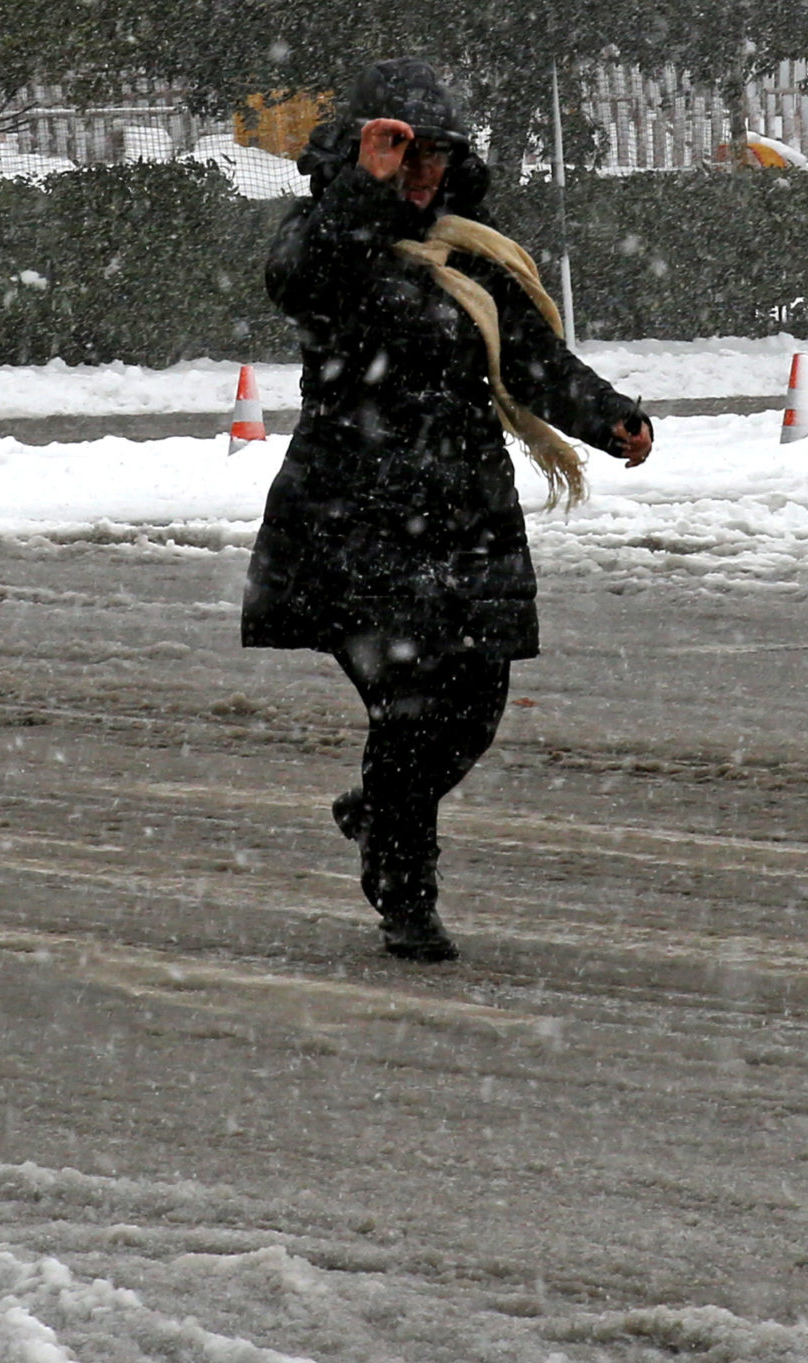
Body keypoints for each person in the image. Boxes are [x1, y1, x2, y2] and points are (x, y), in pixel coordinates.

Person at [242, 59, 653, 962]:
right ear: (362, 151)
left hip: (464, 512)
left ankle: (383, 807)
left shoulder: (471, 251)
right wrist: (365, 187)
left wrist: (608, 417)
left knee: (476, 704)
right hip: (353, 518)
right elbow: (305, 282)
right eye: (404, 151)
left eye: (436, 154)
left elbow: (533, 359)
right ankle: (406, 895)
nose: (423, 171)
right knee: (411, 708)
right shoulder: (325, 235)